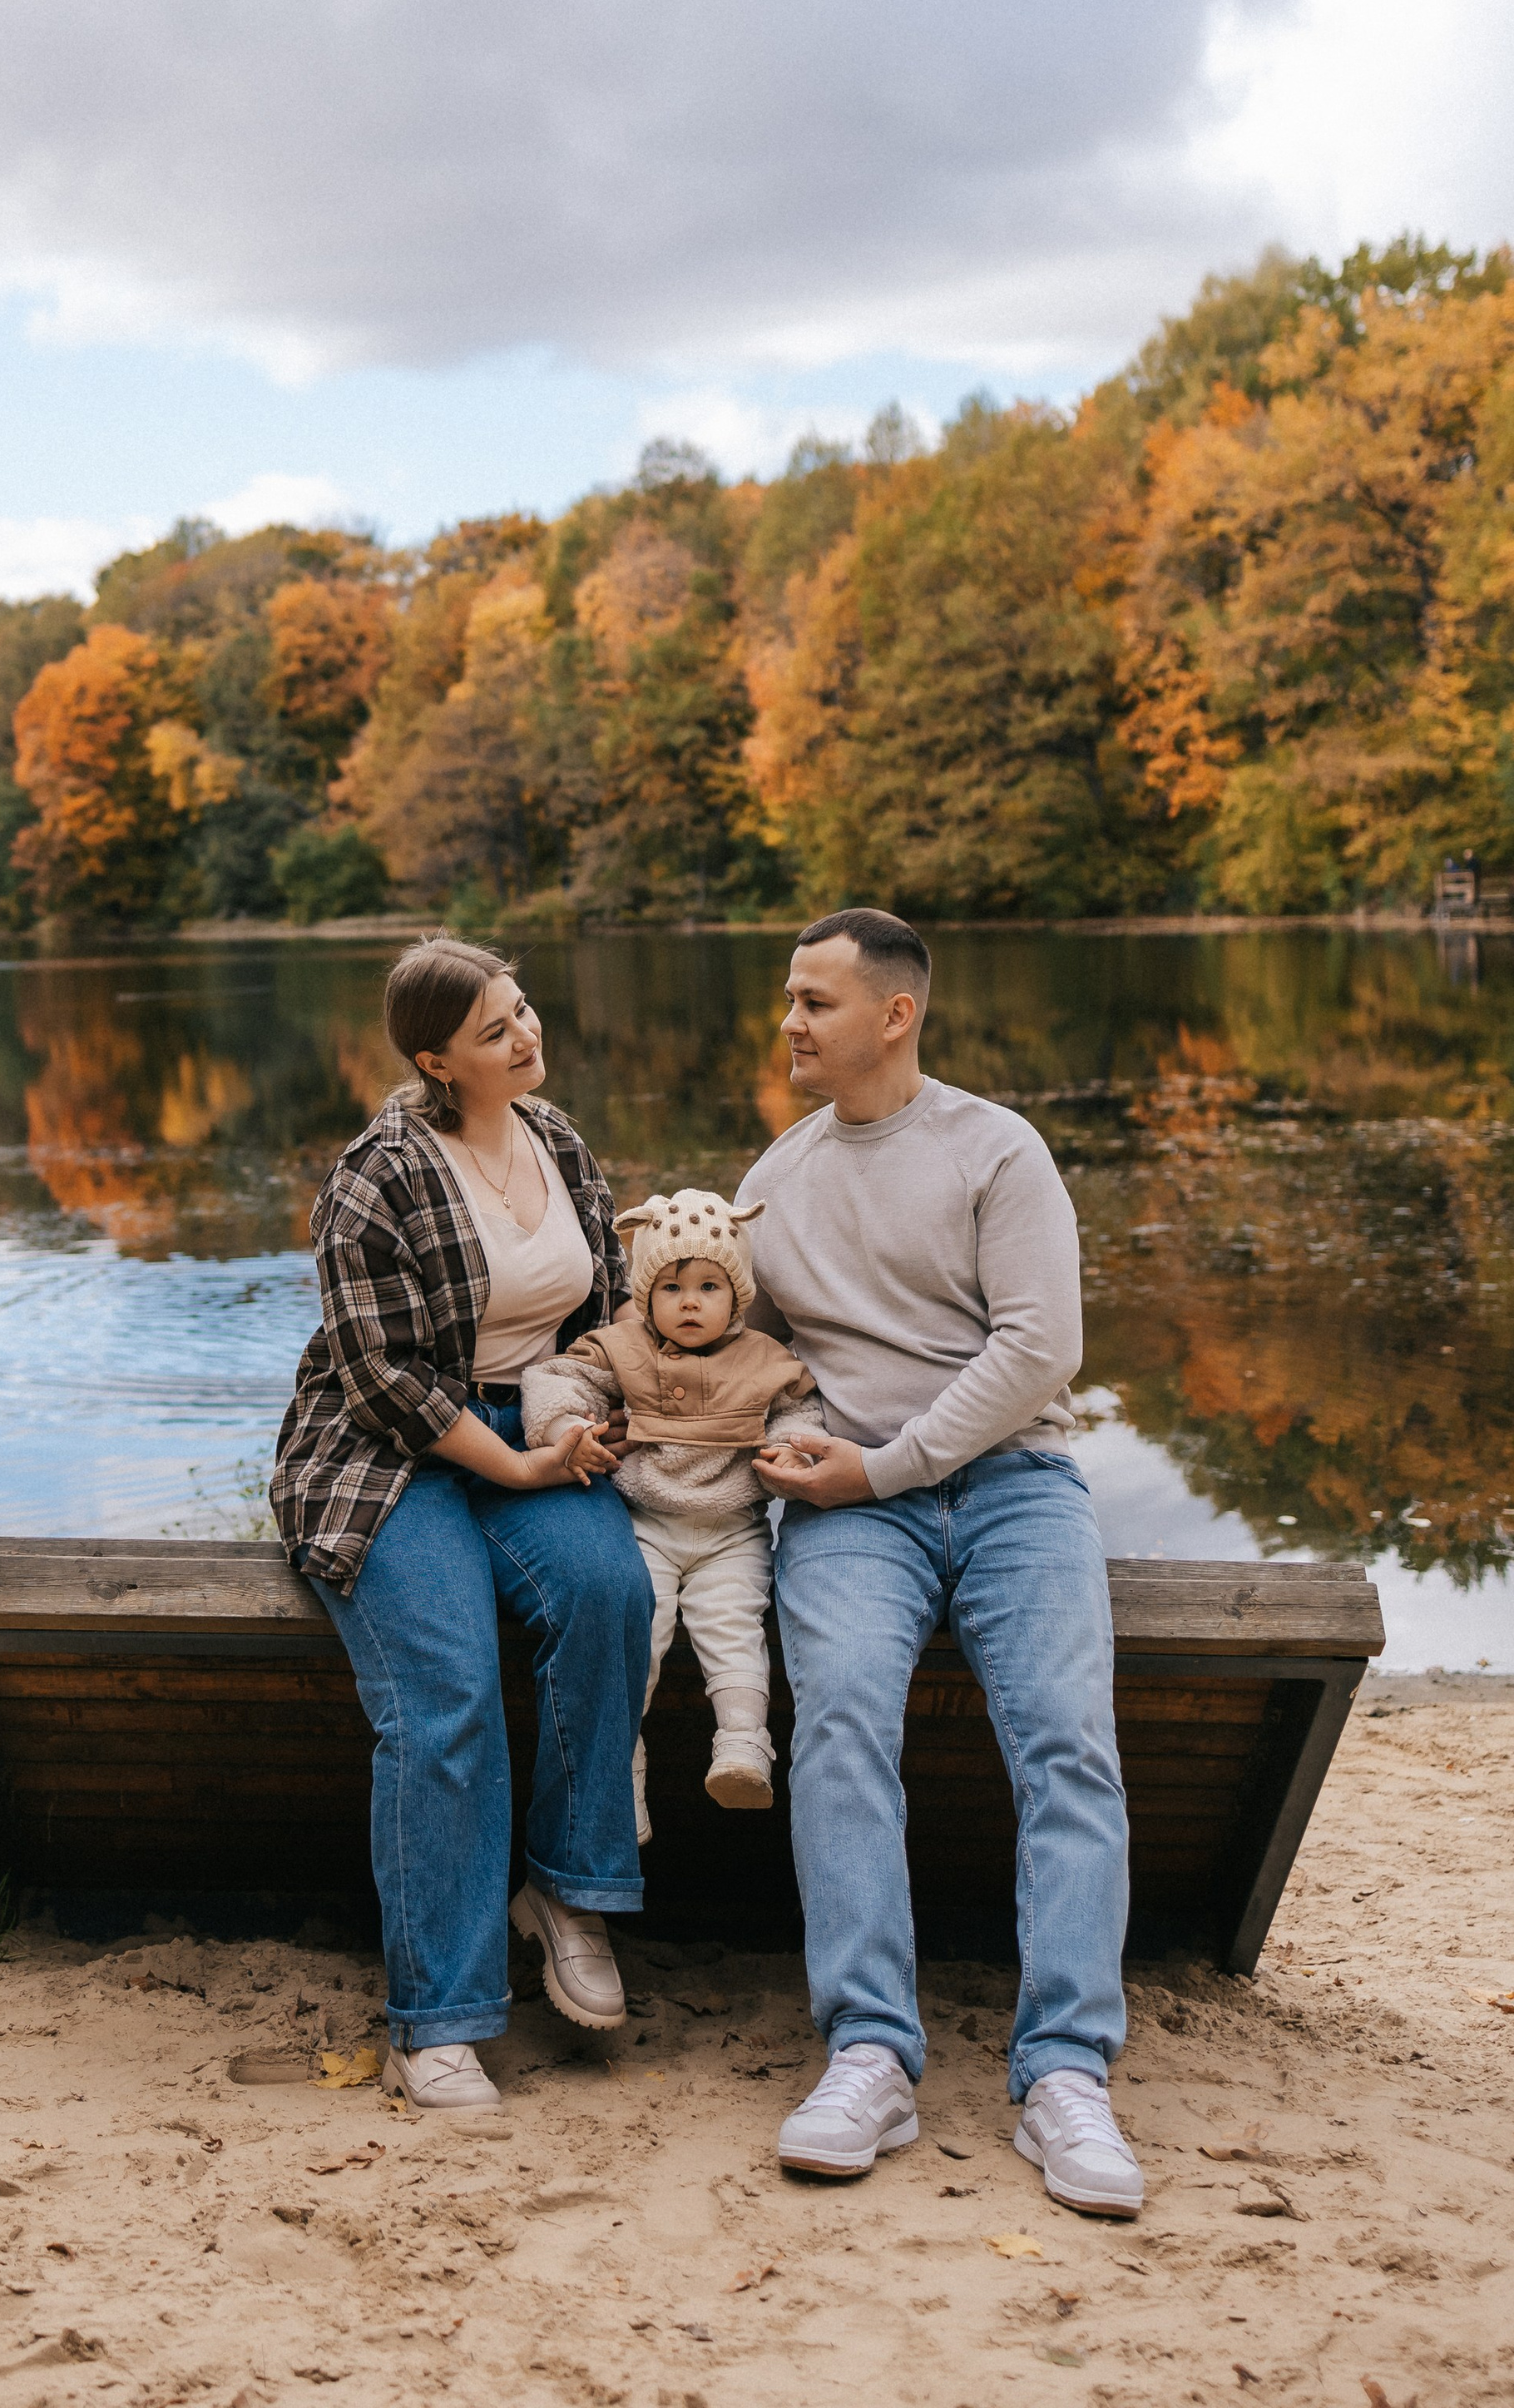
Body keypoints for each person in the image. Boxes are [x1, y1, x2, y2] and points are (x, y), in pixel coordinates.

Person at [740, 907, 1144, 2220]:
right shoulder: (772, 1185)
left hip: (1015, 1486)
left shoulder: (996, 1150)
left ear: (895, 1015)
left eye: (815, 1001)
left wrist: (885, 1460)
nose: (790, 1022)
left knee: (1070, 1739)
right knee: (842, 1725)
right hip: (853, 1513)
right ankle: (871, 2054)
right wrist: (800, 1438)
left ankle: (1066, 2073)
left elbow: (1038, 1353)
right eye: (791, 1000)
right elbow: (753, 1365)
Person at [270, 934, 652, 2110]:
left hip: (540, 1420)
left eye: (524, 1009)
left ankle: (570, 1893)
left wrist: (598, 1416)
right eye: (496, 1030)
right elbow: (379, 1373)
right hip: (394, 1453)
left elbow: (611, 1306)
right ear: (439, 1059)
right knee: (446, 1689)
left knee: (609, 1596)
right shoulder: (378, 1173)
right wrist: (519, 1470)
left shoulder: (557, 1138)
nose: (527, 1034)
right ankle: (436, 2019)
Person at [522, 1187, 820, 1825]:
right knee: (640, 1639)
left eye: (711, 1287)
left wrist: (794, 1452)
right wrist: (566, 1430)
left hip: (731, 1530)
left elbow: (800, 1409)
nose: (690, 1302)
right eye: (671, 1287)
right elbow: (556, 1377)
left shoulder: (767, 1359)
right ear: (646, 1294)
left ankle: (743, 1747)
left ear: (738, 1296)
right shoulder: (623, 1347)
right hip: (646, 1525)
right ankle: (622, 1777)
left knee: (734, 1627)